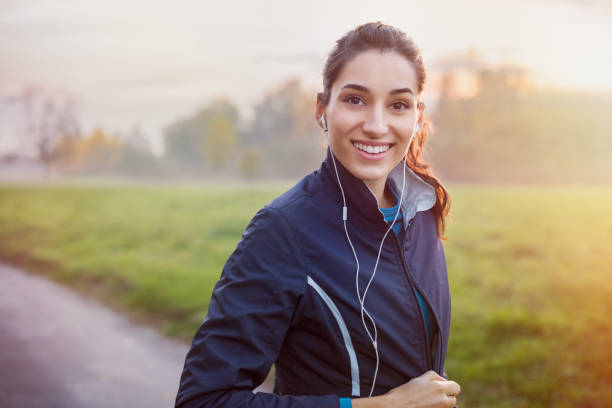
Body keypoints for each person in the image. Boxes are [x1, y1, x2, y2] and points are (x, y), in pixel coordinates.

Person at [175, 21, 461, 408]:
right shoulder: (282, 231)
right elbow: (204, 400)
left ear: (417, 116)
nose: (377, 126)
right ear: (322, 109)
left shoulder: (422, 212)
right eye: (355, 99)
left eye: (398, 105)